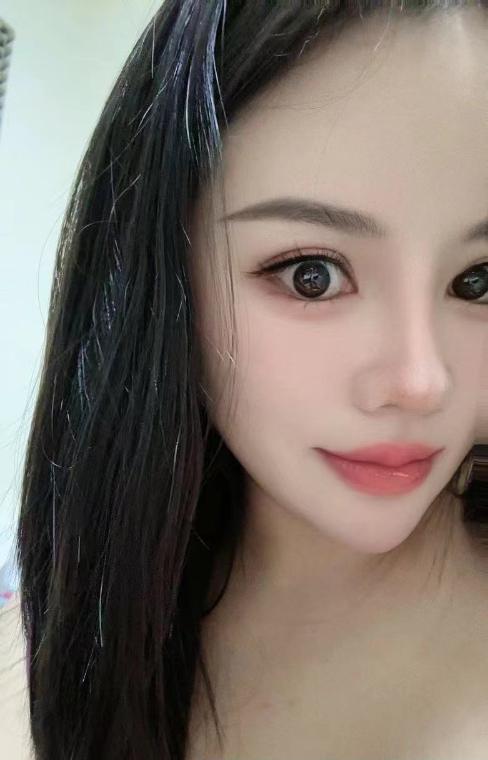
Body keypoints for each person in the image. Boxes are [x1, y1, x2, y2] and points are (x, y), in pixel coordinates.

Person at [3, 1, 488, 759]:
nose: (421, 382)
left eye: (478, 281)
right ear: (165, 277)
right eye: (311, 275)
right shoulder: (38, 655)